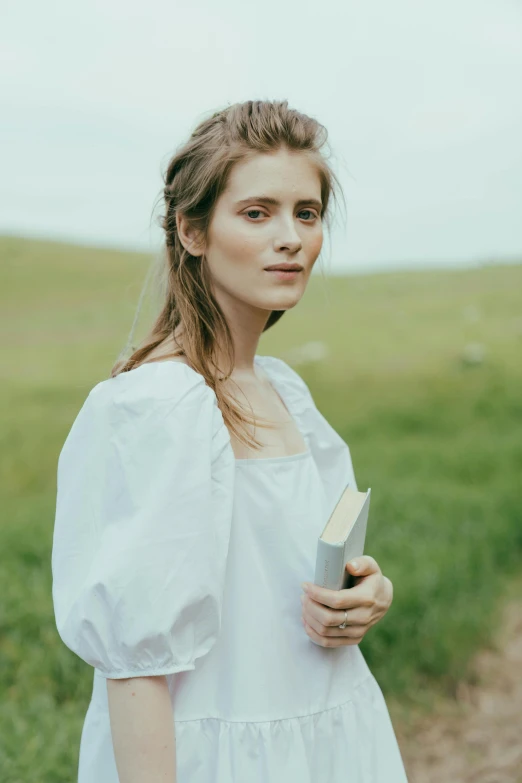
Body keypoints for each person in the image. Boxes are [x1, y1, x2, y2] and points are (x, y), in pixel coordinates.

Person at [51, 99, 408, 783]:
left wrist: (366, 595)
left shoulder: (286, 390)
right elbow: (136, 665)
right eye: (256, 212)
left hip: (332, 734)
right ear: (192, 231)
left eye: (306, 213)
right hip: (216, 757)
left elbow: (299, 566)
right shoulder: (157, 405)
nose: (291, 237)